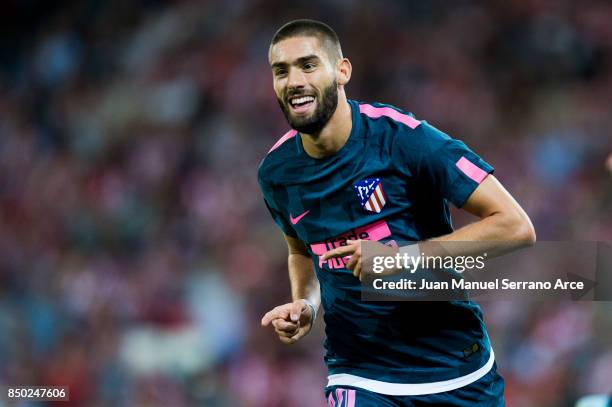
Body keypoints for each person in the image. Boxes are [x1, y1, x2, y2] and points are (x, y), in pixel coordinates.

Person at [258, 19, 536, 406]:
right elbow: (301, 250)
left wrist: (403, 259)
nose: (294, 81)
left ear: (342, 71)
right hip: (359, 374)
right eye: (281, 71)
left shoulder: (404, 139)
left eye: (308, 65)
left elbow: (516, 227)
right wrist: (306, 303)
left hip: (457, 368)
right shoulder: (276, 173)